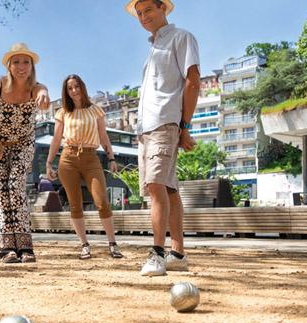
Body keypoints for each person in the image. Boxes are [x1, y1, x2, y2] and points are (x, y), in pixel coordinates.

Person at [126, 0, 200, 276]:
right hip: (146, 128)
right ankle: (178, 254)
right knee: (167, 188)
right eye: (140, 13)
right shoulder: (152, 49)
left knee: (156, 185)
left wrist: (184, 125)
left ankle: (156, 254)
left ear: (163, 8)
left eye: (149, 9)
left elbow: (192, 81)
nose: (144, 16)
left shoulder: (182, 37)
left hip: (165, 123)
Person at [0, 43, 50, 263]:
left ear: (31, 66)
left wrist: (44, 96)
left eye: (26, 62)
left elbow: (42, 93)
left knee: (16, 188)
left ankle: (25, 247)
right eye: (16, 62)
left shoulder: (35, 87)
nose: (21, 66)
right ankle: (5, 246)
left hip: (23, 145)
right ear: (9, 65)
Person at [46, 74, 123, 260]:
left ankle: (112, 244)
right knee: (75, 204)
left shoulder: (95, 110)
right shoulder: (63, 112)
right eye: (70, 88)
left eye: (77, 86)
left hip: (91, 158)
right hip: (68, 158)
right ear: (66, 92)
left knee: (102, 201)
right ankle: (84, 245)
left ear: (83, 87)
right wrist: (49, 163)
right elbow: (57, 139)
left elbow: (103, 136)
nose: (74, 91)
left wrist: (111, 158)